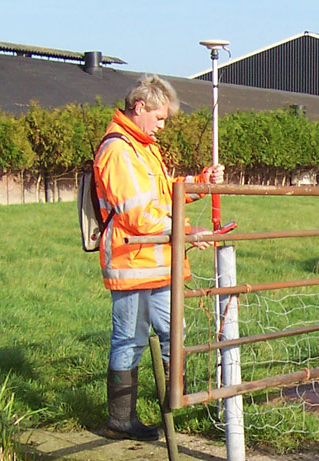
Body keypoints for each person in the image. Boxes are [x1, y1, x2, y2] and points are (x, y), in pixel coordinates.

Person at [94, 74, 223, 440]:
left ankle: (175, 407)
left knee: (172, 333)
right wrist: (186, 231)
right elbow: (137, 215)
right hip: (132, 263)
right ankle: (121, 421)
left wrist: (200, 182)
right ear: (140, 107)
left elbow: (165, 194)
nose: (162, 126)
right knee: (129, 340)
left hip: (159, 262)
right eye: (160, 117)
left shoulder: (144, 147)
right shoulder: (118, 151)